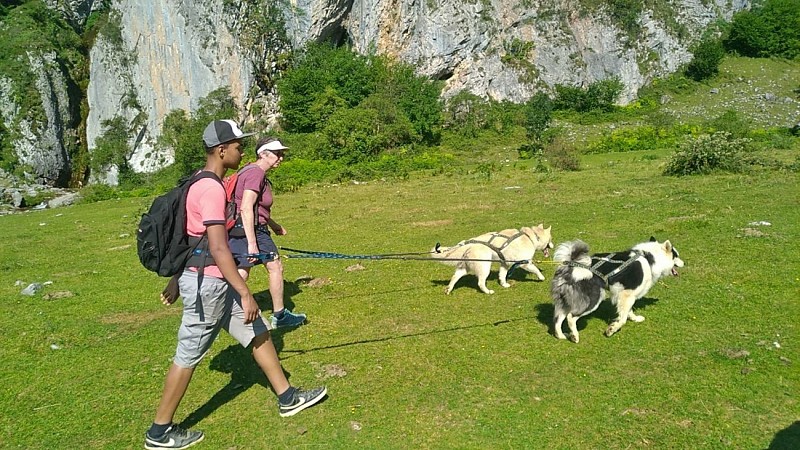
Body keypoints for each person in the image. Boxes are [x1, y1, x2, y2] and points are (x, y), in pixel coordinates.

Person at [144, 120, 326, 450]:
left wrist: (176, 279)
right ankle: (159, 432)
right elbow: (216, 246)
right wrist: (244, 291)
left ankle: (287, 397)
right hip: (209, 285)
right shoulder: (212, 188)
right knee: (188, 354)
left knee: (256, 329)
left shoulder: (198, 182)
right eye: (238, 146)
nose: (242, 151)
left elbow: (190, 240)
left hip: (210, 281)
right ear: (221, 149)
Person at [228, 136, 306, 329]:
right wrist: (253, 243)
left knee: (242, 270)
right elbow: (246, 207)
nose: (281, 158)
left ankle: (222, 307)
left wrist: (274, 224)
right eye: (277, 154)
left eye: (282, 154)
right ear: (263, 154)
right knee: (275, 266)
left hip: (239, 229)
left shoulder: (247, 170)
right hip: (252, 230)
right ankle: (280, 315)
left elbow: (255, 207)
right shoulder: (256, 174)